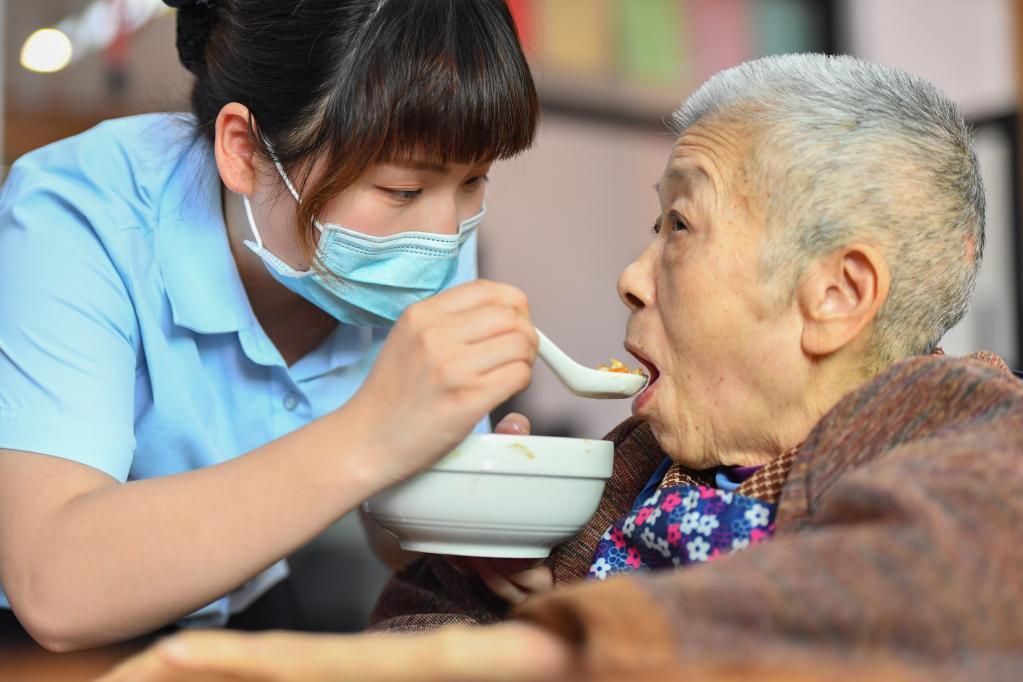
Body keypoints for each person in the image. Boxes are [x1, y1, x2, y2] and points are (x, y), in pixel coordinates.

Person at [102, 54, 1023, 681]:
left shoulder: (971, 428)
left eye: (678, 227)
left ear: (834, 294)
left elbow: (938, 576)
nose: (630, 277)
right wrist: (494, 574)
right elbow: (422, 607)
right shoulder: (633, 466)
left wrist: (541, 643)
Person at [0, 0, 542, 651]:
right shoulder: (81, 214)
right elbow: (56, 589)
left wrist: (468, 516)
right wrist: (374, 432)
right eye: (400, 190)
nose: (445, 234)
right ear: (245, 150)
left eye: (475, 180)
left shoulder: (428, 226)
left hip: (238, 601)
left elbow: (388, 530)